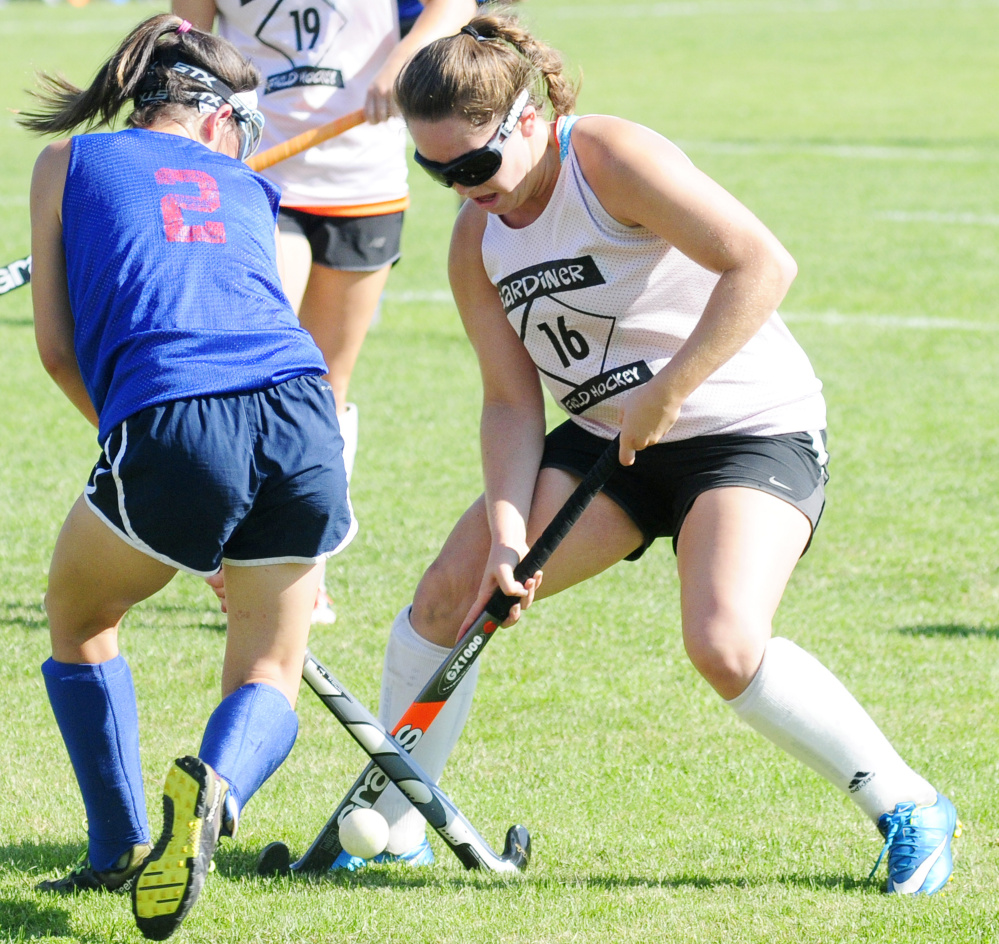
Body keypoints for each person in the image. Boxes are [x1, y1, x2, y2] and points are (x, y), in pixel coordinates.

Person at [352, 12, 961, 894]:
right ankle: (402, 821)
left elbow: (761, 264)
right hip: (608, 445)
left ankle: (908, 805)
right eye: (435, 169)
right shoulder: (474, 239)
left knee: (723, 642)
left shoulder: (608, 160)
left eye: (474, 164)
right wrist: (505, 533)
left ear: (526, 118)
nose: (460, 185)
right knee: (450, 598)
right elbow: (508, 400)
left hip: (746, 431)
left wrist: (666, 393)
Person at [21, 15, 354, 938]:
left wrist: (152, 459)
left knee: (81, 616)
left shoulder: (68, 164)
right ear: (220, 122)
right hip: (304, 411)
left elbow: (57, 351)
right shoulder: (253, 188)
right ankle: (218, 786)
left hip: (173, 413)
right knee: (270, 667)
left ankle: (118, 845)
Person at [173, 0, 476, 623]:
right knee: (264, 372)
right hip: (259, 175)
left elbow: (454, 7)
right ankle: (243, 552)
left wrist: (404, 55)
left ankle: (306, 568)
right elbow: (189, 44)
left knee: (323, 388)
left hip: (363, 181)